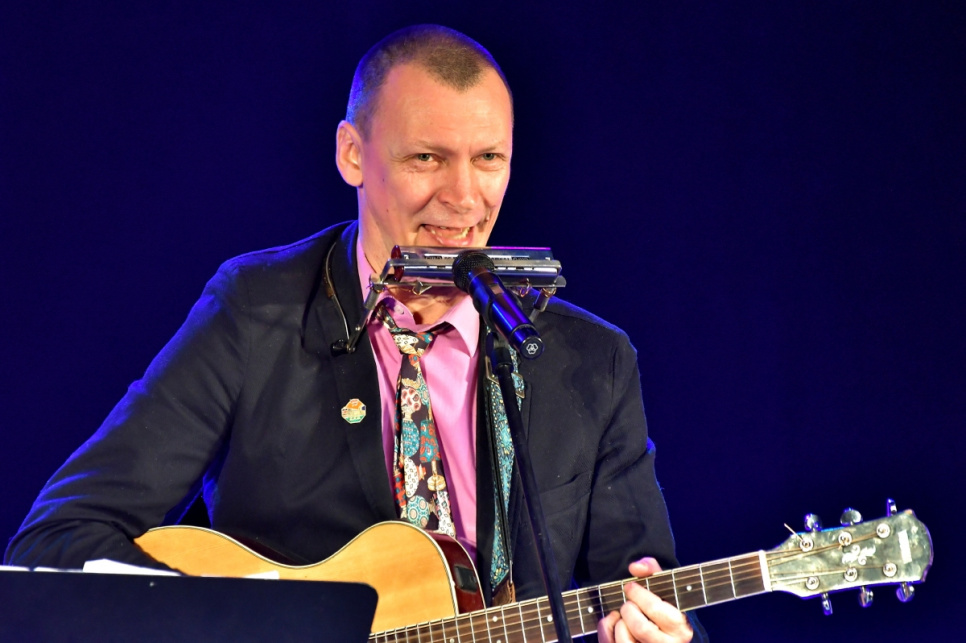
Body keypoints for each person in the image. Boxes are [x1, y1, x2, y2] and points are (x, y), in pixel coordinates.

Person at [6, 25, 705, 643]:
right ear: (352, 155)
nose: (464, 198)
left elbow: (654, 593)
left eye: (489, 158)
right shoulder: (257, 313)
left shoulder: (589, 361)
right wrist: (242, 623)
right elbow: (57, 542)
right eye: (426, 158)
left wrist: (665, 636)